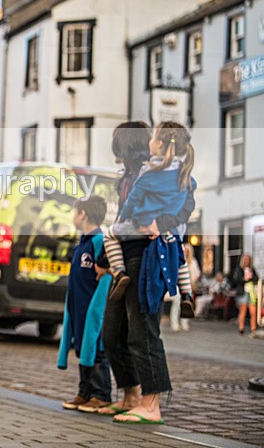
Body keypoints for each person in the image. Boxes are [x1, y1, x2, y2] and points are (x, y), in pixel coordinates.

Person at [98, 122, 195, 424]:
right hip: (124, 258)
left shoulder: (162, 172)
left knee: (143, 333)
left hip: (146, 256)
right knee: (113, 333)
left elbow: (185, 207)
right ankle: (131, 395)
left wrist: (162, 223)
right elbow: (123, 218)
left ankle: (151, 404)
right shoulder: (132, 175)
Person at [102, 122, 196, 318]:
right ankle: (187, 293)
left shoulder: (147, 173)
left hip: (142, 246)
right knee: (179, 255)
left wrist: (128, 220)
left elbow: (133, 205)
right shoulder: (181, 174)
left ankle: (119, 272)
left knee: (141, 334)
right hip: (162, 240)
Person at [58, 196, 112, 413]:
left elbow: (106, 276)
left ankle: (101, 394)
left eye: (75, 212)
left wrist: (97, 308)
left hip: (92, 308)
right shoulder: (82, 242)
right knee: (82, 347)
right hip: (78, 307)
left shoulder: (99, 241)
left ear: (83, 214)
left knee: (96, 350)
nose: (73, 216)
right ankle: (85, 392)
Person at [169, 243, 200, 332]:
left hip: (188, 285)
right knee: (177, 303)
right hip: (177, 285)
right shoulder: (177, 259)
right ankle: (174, 323)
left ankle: (185, 323)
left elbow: (197, 274)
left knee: (186, 304)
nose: (185, 252)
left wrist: (192, 282)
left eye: (187, 251)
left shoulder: (193, 262)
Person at [233, 254, 258, 335]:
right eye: (245, 259)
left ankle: (253, 328)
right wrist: (244, 279)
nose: (246, 261)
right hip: (242, 292)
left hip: (251, 292)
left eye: (248, 259)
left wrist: (251, 277)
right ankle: (241, 328)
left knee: (253, 311)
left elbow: (256, 279)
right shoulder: (239, 269)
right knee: (243, 311)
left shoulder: (252, 270)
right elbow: (236, 280)